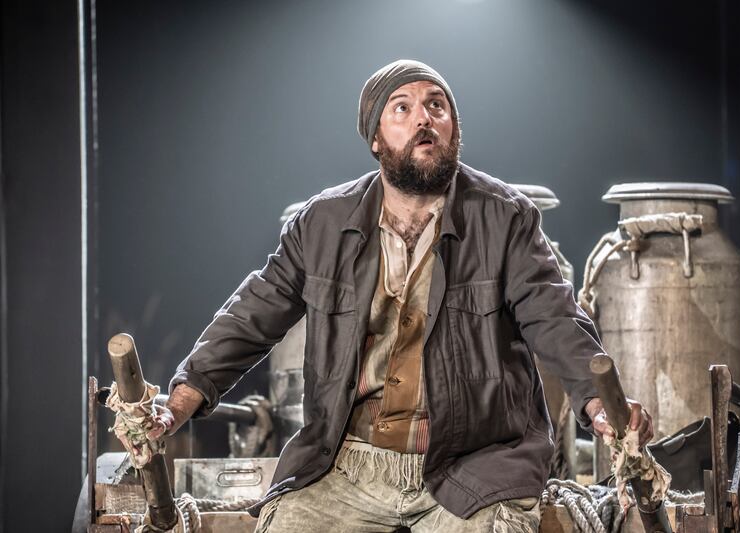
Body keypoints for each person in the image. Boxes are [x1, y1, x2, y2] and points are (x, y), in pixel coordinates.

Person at [150, 60, 654, 532]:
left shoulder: (506, 219)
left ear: (454, 128)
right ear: (375, 137)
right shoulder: (322, 224)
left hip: (472, 469)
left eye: (437, 106)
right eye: (402, 108)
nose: (423, 119)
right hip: (346, 467)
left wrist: (600, 405)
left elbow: (556, 318)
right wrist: (175, 407)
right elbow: (253, 313)